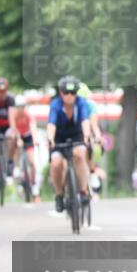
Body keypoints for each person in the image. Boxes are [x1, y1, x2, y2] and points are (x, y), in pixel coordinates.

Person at [46, 76, 94, 213]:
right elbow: (51, 124)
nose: (70, 96)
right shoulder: (55, 104)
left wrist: (86, 136)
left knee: (80, 154)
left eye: (73, 93)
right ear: (61, 93)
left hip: (77, 136)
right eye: (66, 92)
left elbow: (85, 121)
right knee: (56, 164)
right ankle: (59, 194)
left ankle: (84, 190)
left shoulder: (82, 103)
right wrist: (50, 139)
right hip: (59, 138)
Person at [12, 95, 40, 201]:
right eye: (19, 107)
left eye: (23, 106)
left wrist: (35, 139)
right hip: (19, 136)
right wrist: (18, 139)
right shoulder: (14, 115)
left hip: (28, 137)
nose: (21, 109)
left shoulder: (28, 115)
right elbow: (14, 128)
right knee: (17, 145)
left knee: (32, 162)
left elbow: (33, 127)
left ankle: (34, 184)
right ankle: (17, 167)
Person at [0, 77, 18, 188]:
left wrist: (13, 129)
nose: (2, 94)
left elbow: (12, 116)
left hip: (6, 128)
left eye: (4, 92)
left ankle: (10, 162)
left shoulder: (10, 99)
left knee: (13, 136)